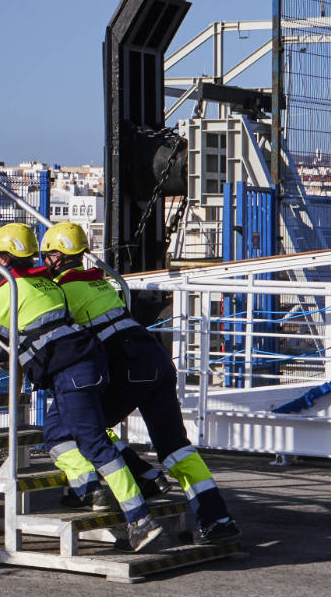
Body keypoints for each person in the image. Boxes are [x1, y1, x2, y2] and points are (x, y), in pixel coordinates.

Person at [0, 222, 168, 552]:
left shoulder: (10, 291)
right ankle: (92, 490)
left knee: (95, 445)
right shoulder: (44, 284)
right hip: (90, 365)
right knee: (57, 435)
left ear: (3, 260)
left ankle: (140, 520)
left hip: (70, 375)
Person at [39, 221, 241, 546]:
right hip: (156, 358)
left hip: (129, 364)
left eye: (47, 255)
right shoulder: (102, 283)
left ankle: (126, 487)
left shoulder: (62, 291)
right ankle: (217, 518)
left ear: (58, 258)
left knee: (83, 428)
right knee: (175, 445)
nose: (44, 261)